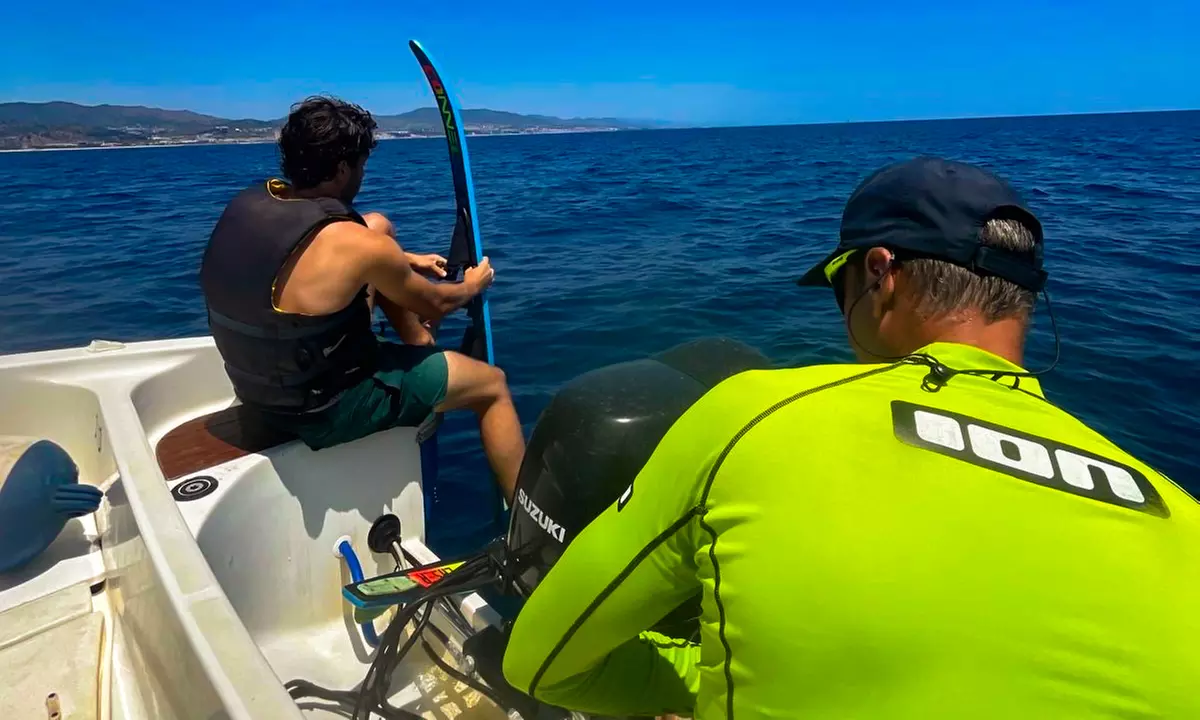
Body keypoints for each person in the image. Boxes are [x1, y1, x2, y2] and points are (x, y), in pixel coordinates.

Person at [501, 157, 1199, 718]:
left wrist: (710, 677)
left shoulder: (749, 413)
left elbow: (537, 661)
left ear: (879, 274)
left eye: (839, 290)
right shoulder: (1181, 516)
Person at [198, 95, 524, 500]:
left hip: (258, 387)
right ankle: (527, 520)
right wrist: (474, 284)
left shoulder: (251, 205)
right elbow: (436, 304)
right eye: (361, 166)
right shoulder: (359, 248)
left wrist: (403, 258)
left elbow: (303, 251)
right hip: (325, 409)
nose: (362, 175)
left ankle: (418, 344)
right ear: (341, 168)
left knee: (378, 225)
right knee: (493, 386)